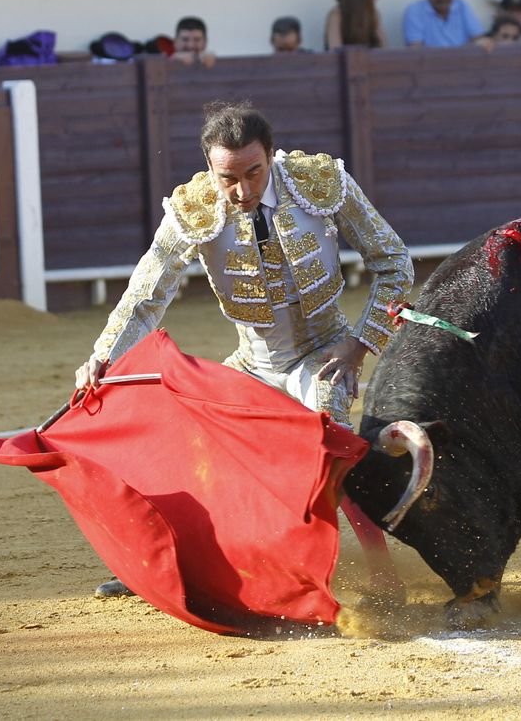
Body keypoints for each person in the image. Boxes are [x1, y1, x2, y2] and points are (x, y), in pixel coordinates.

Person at [75, 100, 413, 600]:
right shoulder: (193, 208)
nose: (241, 190)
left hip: (323, 353)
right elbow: (147, 295)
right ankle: (164, 570)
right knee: (187, 452)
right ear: (210, 169)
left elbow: (395, 263)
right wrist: (103, 355)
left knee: (329, 441)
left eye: (253, 173)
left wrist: (359, 345)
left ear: (272, 157)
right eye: (226, 178)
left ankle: (384, 575)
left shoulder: (320, 183)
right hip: (252, 362)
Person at [324, 0, 389, 49]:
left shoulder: (372, 13)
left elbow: (384, 47)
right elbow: (335, 51)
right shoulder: (336, 15)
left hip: (368, 60)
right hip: (345, 61)